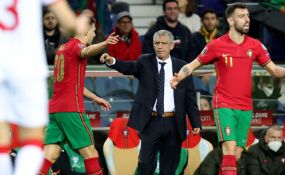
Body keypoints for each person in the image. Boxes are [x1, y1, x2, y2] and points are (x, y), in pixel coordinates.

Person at [170, 3, 285, 175]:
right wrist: (178, 77)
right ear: (230, 20)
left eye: (247, 16)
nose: (247, 20)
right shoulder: (216, 45)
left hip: (245, 105)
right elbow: (192, 65)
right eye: (241, 16)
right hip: (224, 103)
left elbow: (274, 70)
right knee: (229, 148)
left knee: (237, 153)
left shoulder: (255, 45)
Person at [100, 30, 201, 175]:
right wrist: (111, 61)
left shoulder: (182, 67)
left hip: (174, 122)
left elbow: (190, 97)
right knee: (145, 164)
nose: (160, 46)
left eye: (163, 43)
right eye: (157, 43)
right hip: (151, 121)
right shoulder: (144, 61)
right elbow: (129, 67)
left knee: (169, 167)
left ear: (171, 46)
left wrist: (195, 121)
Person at [0, 1, 78, 175]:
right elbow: (69, 23)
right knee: (32, 141)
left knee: (1, 143)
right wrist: (77, 25)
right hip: (28, 69)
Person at [39, 15, 119, 175]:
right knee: (91, 153)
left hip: (54, 111)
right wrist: (105, 43)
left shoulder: (61, 49)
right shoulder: (76, 46)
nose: (94, 35)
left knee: (51, 154)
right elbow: (86, 51)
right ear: (85, 30)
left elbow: (70, 84)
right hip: (71, 110)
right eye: (93, 31)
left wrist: (95, 98)